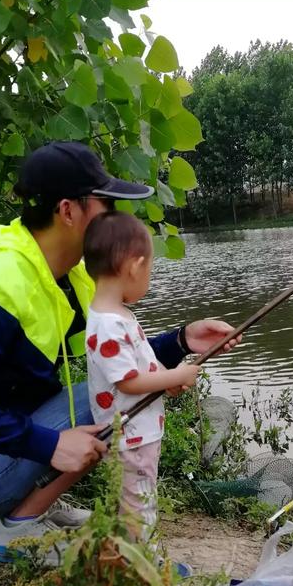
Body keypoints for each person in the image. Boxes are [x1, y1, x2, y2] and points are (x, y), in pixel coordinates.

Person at [0, 141, 240, 563]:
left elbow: (112, 356)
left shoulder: (71, 277)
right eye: (107, 206)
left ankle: (30, 508)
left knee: (104, 391)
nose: (117, 220)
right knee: (109, 400)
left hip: (4, 453)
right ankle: (12, 531)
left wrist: (181, 341)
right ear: (68, 211)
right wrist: (47, 444)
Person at [84, 211, 200, 545]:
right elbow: (128, 381)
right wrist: (174, 375)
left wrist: (168, 378)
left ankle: (128, 554)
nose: (148, 276)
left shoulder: (118, 315)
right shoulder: (109, 324)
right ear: (135, 267)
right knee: (139, 504)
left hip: (138, 433)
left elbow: (143, 363)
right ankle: (141, 563)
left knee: (136, 499)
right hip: (130, 437)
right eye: (149, 268)